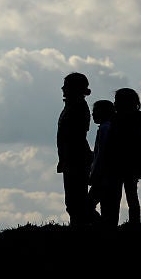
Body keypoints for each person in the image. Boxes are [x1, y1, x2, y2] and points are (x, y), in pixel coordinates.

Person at [56, 71, 94, 227]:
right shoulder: (74, 106)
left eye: (66, 85)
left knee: (76, 201)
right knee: (74, 201)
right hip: (71, 158)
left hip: (76, 159)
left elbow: (74, 137)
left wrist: (67, 158)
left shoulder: (77, 107)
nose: (62, 88)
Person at [108, 87, 141, 227]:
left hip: (120, 162)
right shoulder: (139, 119)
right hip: (131, 163)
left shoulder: (118, 120)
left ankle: (115, 223)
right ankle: (134, 223)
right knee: (131, 195)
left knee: (119, 196)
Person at [87, 99, 116, 226]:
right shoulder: (109, 127)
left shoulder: (105, 129)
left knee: (87, 206)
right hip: (108, 176)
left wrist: (94, 174)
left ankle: (101, 226)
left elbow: (101, 155)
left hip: (103, 176)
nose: (92, 115)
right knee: (107, 208)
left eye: (95, 112)